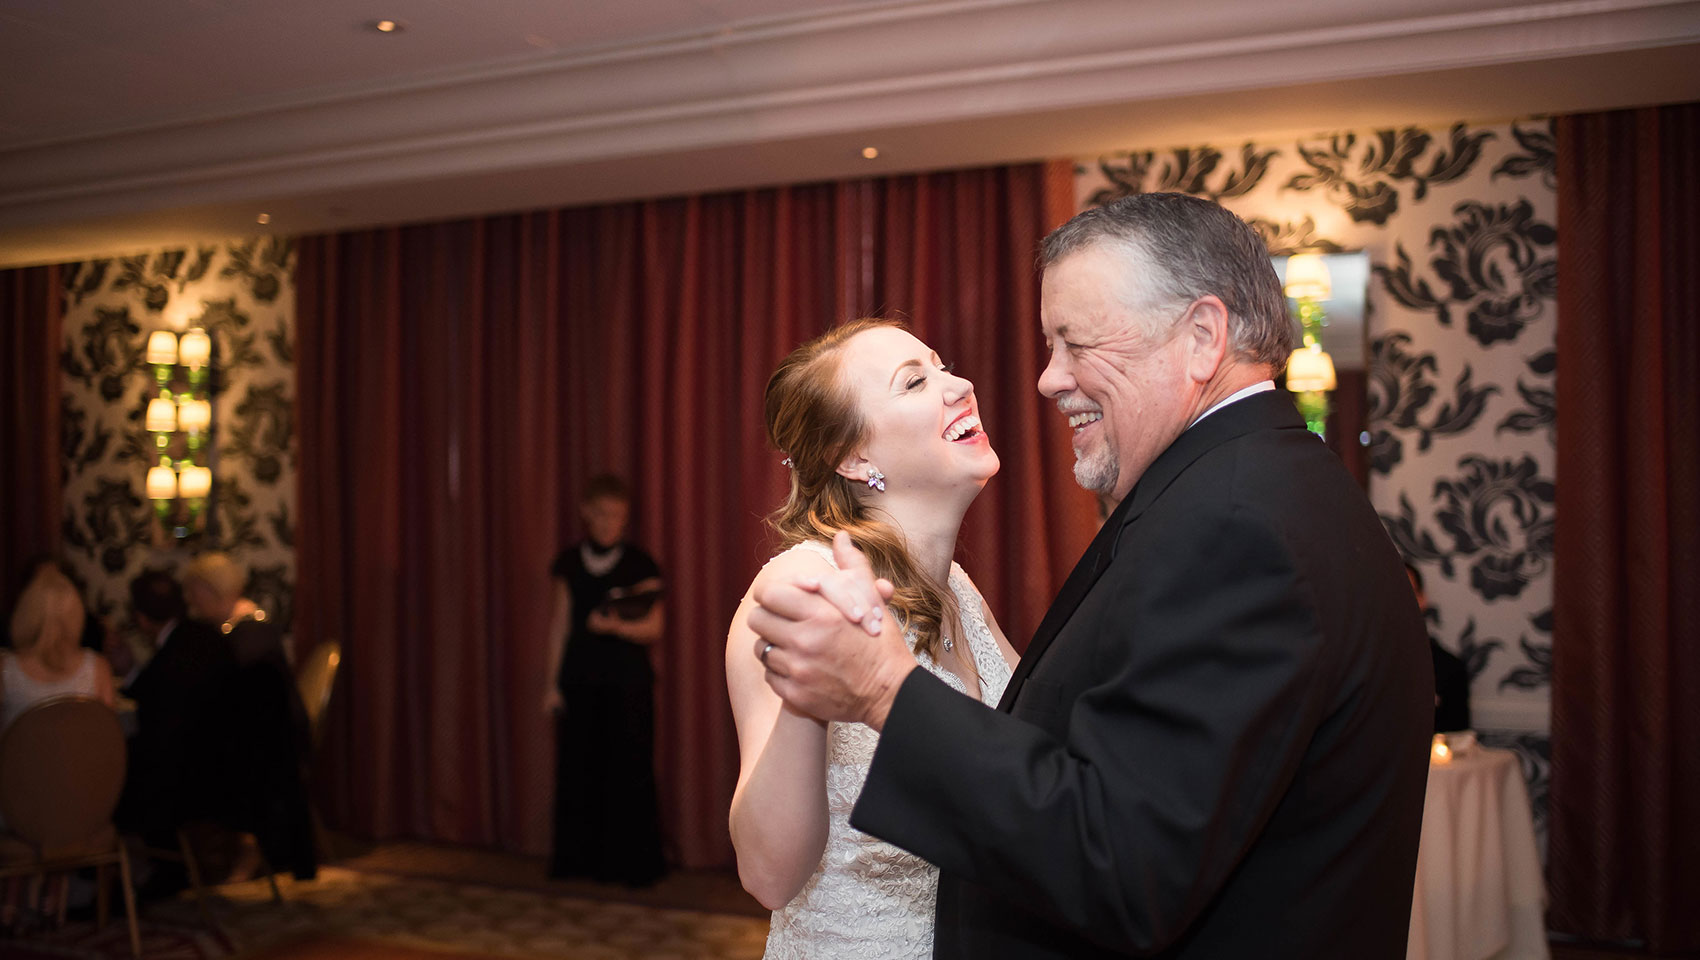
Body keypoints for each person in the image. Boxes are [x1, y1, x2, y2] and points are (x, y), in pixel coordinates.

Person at [750, 193, 1433, 958]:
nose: (1046, 380)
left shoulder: (1233, 524)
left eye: (1075, 344)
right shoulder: (1262, 487)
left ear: (1203, 337)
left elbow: (1124, 857)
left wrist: (883, 691)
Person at [725, 319, 1017, 957]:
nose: (960, 385)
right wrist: (812, 691)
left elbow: (1028, 768)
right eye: (915, 382)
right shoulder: (807, 583)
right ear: (853, 458)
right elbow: (769, 875)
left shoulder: (959, 591)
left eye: (943, 366)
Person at [542, 475, 669, 885]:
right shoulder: (569, 562)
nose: (608, 522)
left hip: (627, 685)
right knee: (580, 771)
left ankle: (630, 866)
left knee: (628, 771)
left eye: (616, 515)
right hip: (580, 682)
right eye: (600, 514)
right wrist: (551, 684)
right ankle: (580, 863)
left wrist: (613, 627)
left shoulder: (640, 563)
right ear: (586, 513)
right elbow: (559, 626)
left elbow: (653, 628)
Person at [181, 552, 316, 881]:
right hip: (263, 744)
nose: (191, 602)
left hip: (266, 750)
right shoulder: (240, 631)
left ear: (213, 592)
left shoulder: (250, 636)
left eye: (195, 593)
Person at [117, 569, 237, 850]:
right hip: (226, 765)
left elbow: (158, 721)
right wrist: (130, 670)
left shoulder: (175, 653)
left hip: (192, 779)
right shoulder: (203, 637)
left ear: (142, 619)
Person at [1, 566, 115, 733]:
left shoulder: (6, 668)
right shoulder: (97, 667)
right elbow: (108, 734)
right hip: (82, 758)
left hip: (19, 759)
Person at [1406, 563, 1472, 733]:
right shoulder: (1360, 666)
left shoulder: (1449, 668)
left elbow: (1457, 739)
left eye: (1408, 593)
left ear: (1422, 600)